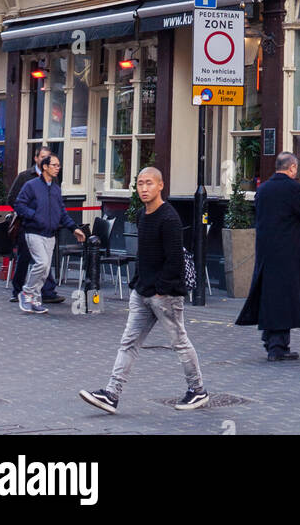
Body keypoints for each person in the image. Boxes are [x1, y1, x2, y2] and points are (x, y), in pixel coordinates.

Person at [79, 167, 209, 414]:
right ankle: (111, 394)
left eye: (149, 183)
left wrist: (160, 289)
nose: (144, 188)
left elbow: (174, 260)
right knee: (128, 343)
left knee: (179, 342)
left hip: (165, 295)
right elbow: (144, 253)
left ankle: (198, 390)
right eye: (140, 184)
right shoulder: (141, 214)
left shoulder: (169, 217)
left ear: (161, 185)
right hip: (142, 292)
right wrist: (138, 282)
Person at [236, 151, 300, 360]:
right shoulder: (295, 189)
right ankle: (278, 347)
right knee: (286, 298)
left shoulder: (262, 190)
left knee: (271, 296)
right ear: (292, 168)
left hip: (267, 251)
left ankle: (271, 340)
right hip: (290, 252)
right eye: (295, 169)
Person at [13, 154, 86, 314]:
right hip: (34, 232)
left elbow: (62, 212)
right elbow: (19, 204)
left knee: (45, 270)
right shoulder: (31, 186)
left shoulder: (55, 188)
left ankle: (32, 299)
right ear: (45, 167)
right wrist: (35, 216)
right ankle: (26, 292)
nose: (57, 168)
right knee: (42, 263)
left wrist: (74, 228)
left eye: (58, 165)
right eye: (54, 165)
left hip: (50, 234)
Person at [7, 144, 62, 304]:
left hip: (45, 226)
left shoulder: (53, 177)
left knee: (44, 261)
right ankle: (17, 291)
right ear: (37, 159)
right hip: (27, 226)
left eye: (48, 157)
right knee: (24, 258)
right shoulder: (25, 177)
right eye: (42, 156)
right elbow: (12, 199)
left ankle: (47, 291)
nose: (45, 159)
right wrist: (30, 213)